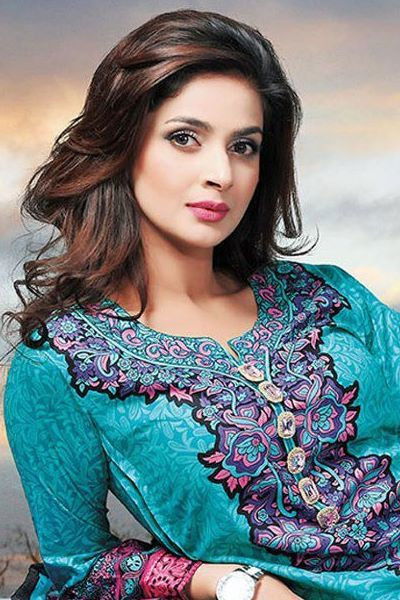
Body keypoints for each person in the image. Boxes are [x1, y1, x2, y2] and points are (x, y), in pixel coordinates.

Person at [2, 7, 400, 600]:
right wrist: (230, 584)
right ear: (123, 145)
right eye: (184, 138)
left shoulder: (331, 296)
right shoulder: (60, 364)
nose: (222, 173)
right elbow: (79, 564)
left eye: (244, 146)